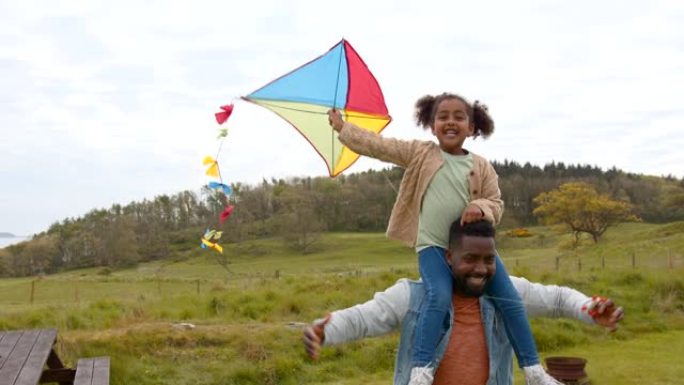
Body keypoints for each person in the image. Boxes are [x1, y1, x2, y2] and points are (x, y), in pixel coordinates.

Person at [328, 93, 544, 384]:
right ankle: (422, 369)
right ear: (431, 125)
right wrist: (344, 128)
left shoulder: (481, 166)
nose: (450, 122)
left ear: (472, 127)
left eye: (459, 117)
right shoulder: (420, 153)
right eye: (443, 117)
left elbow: (496, 202)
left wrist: (479, 207)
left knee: (510, 300)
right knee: (438, 297)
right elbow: (380, 146)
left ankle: (533, 370)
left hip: (469, 252)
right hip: (432, 248)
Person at [303, 220, 624, 385]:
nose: (481, 268)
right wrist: (325, 331)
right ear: (448, 256)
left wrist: (587, 309)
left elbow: (556, 299)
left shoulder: (506, 296)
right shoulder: (413, 297)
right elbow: (364, 319)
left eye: (489, 259)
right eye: (470, 258)